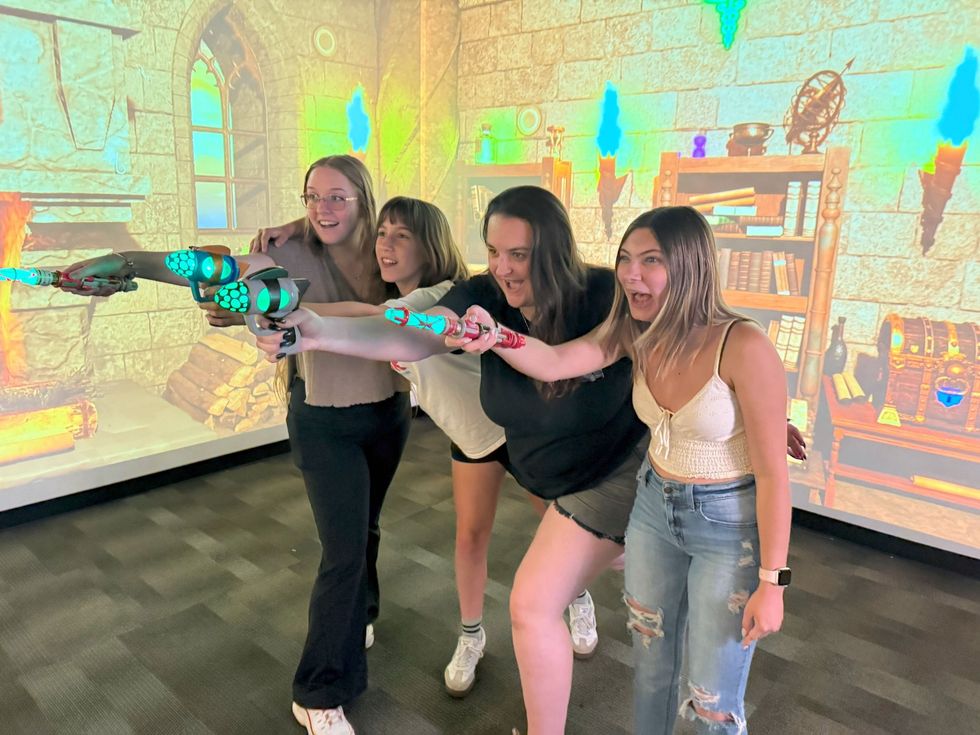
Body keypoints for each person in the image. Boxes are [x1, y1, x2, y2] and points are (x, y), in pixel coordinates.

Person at [252, 187, 804, 735]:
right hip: (591, 481)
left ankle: (592, 589)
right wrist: (315, 330)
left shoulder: (614, 297)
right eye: (494, 252)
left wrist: (755, 427)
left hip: (646, 486)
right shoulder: (531, 303)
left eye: (519, 254)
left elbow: (714, 371)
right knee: (649, 657)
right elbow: (547, 360)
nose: (504, 268)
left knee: (705, 687)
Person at [59, 155, 409, 735]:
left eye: (337, 197)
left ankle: (361, 614)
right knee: (343, 551)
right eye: (311, 197)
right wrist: (130, 262)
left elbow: (435, 282)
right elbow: (213, 270)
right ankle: (318, 692)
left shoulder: (389, 246)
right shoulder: (286, 252)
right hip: (324, 420)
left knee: (366, 527)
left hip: (389, 411)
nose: (322, 209)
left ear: (365, 199)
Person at [457, 205, 794, 734]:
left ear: (690, 267)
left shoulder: (743, 345)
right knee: (651, 672)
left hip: (726, 528)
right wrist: (497, 335)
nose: (630, 274)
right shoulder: (636, 332)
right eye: (625, 259)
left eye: (651, 261)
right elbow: (554, 361)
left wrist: (773, 582)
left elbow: (774, 475)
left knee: (711, 697)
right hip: (654, 509)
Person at [250, 196, 597, 700]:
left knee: (559, 531)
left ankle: (579, 595)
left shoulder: (442, 295)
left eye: (401, 236)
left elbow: (395, 327)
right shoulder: (397, 300)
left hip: (516, 431)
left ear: (427, 244)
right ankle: (471, 637)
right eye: (382, 234)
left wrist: (307, 323)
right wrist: (292, 298)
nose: (385, 246)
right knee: (469, 538)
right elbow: (370, 313)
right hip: (470, 439)